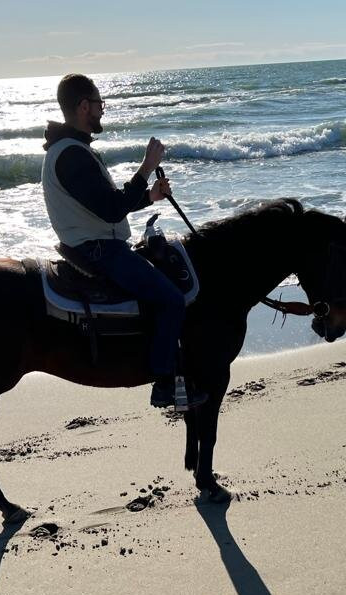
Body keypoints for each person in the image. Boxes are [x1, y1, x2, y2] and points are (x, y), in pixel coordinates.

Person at [41, 73, 206, 409]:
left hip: (98, 244)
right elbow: (111, 209)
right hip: (100, 251)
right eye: (100, 104)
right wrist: (146, 168)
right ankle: (164, 381)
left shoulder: (73, 149)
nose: (102, 110)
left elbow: (107, 204)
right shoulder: (71, 154)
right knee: (172, 300)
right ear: (84, 105)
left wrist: (150, 197)